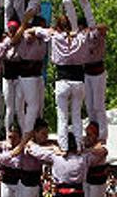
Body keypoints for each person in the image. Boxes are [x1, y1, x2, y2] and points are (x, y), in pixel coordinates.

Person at [28, 15, 86, 152]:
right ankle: (78, 146)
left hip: (63, 79)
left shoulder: (54, 35)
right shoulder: (80, 37)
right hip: (78, 80)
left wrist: (30, 30)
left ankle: (64, 147)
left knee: (62, 116)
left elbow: (36, 29)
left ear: (58, 26)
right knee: (77, 115)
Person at [82, 25, 109, 142]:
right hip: (87, 73)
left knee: (98, 106)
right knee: (89, 105)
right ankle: (93, 128)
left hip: (98, 74)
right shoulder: (81, 39)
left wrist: (92, 28)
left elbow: (104, 27)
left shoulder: (96, 36)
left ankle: (102, 136)